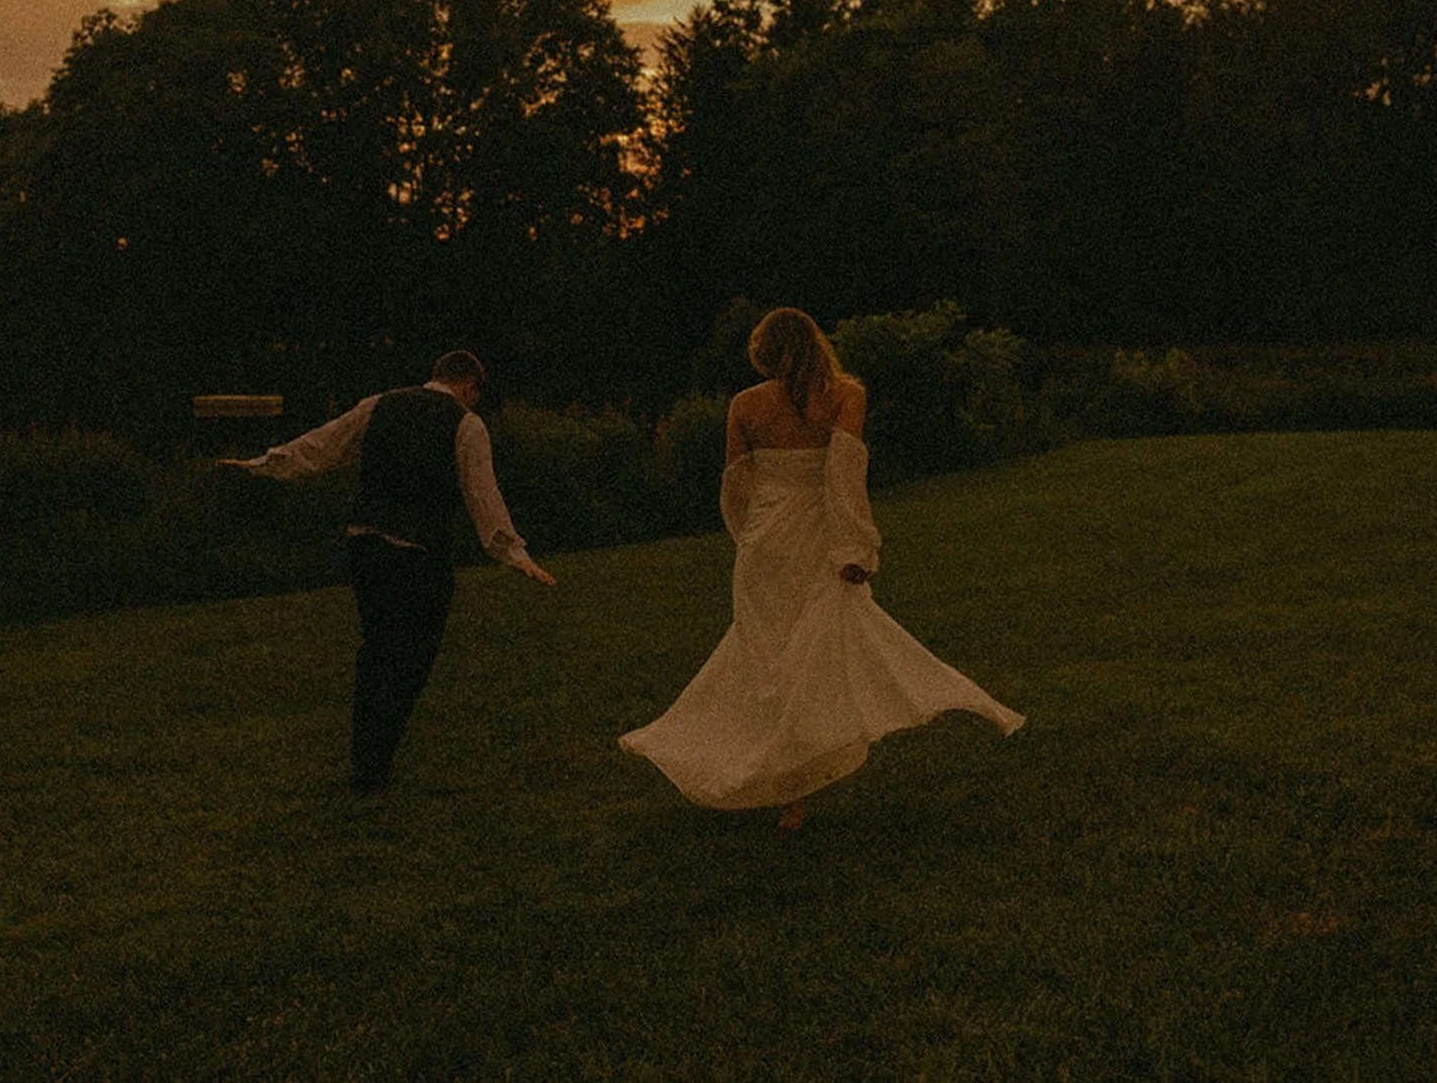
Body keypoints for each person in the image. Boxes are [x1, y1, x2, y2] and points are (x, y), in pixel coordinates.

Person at [620, 308, 1022, 830]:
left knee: (770, 660)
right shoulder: (845, 395)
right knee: (809, 658)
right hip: (812, 537)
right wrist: (853, 547)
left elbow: (736, 486)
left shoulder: (745, 405)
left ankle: (790, 791)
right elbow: (844, 475)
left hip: (766, 541)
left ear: (765, 352)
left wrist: (750, 535)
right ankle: (793, 787)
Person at [222, 350, 555, 794]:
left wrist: (262, 464)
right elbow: (482, 494)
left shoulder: (380, 404)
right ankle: (375, 759)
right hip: (418, 552)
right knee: (413, 656)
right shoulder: (466, 423)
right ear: (469, 386)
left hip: (365, 544)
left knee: (377, 650)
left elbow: (322, 445)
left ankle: (367, 761)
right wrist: (515, 554)